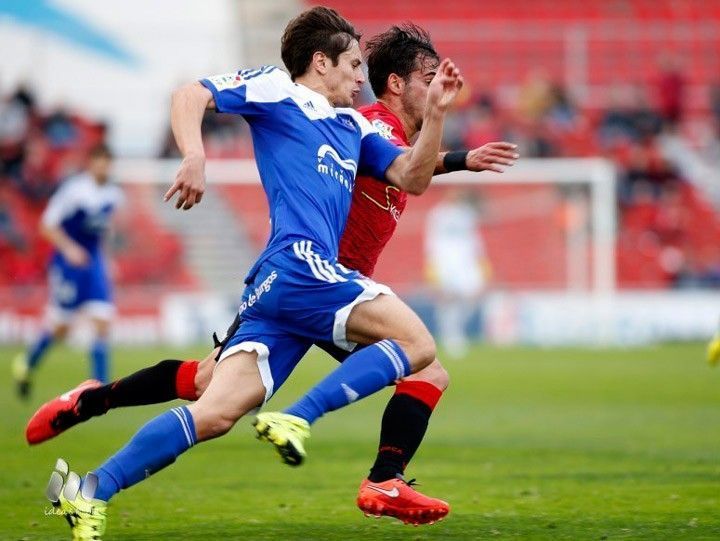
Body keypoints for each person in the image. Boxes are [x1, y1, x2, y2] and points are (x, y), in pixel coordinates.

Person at [30, 23, 518, 528]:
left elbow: (411, 174)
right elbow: (190, 93)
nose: (360, 79)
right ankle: (306, 423)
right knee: (419, 347)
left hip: (282, 286)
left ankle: (89, 489)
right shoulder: (277, 89)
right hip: (306, 268)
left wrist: (439, 117)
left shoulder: (350, 128)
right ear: (321, 63)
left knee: (214, 408)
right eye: (353, 66)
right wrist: (195, 156)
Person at [12, 144, 121, 399]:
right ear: (91, 163)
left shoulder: (113, 194)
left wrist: (106, 261)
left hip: (93, 265)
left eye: (107, 161)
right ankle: (27, 362)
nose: (103, 166)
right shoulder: (74, 191)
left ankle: (100, 389)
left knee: (103, 322)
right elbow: (46, 226)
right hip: (67, 264)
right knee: (61, 327)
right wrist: (70, 249)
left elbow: (102, 232)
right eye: (99, 161)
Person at [425, 189, 489, 358]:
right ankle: (450, 336)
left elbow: (475, 239)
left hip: (466, 262)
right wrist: (433, 267)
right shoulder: (437, 214)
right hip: (445, 261)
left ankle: (456, 331)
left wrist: (481, 262)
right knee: (448, 300)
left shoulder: (467, 214)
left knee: (470, 297)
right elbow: (431, 241)